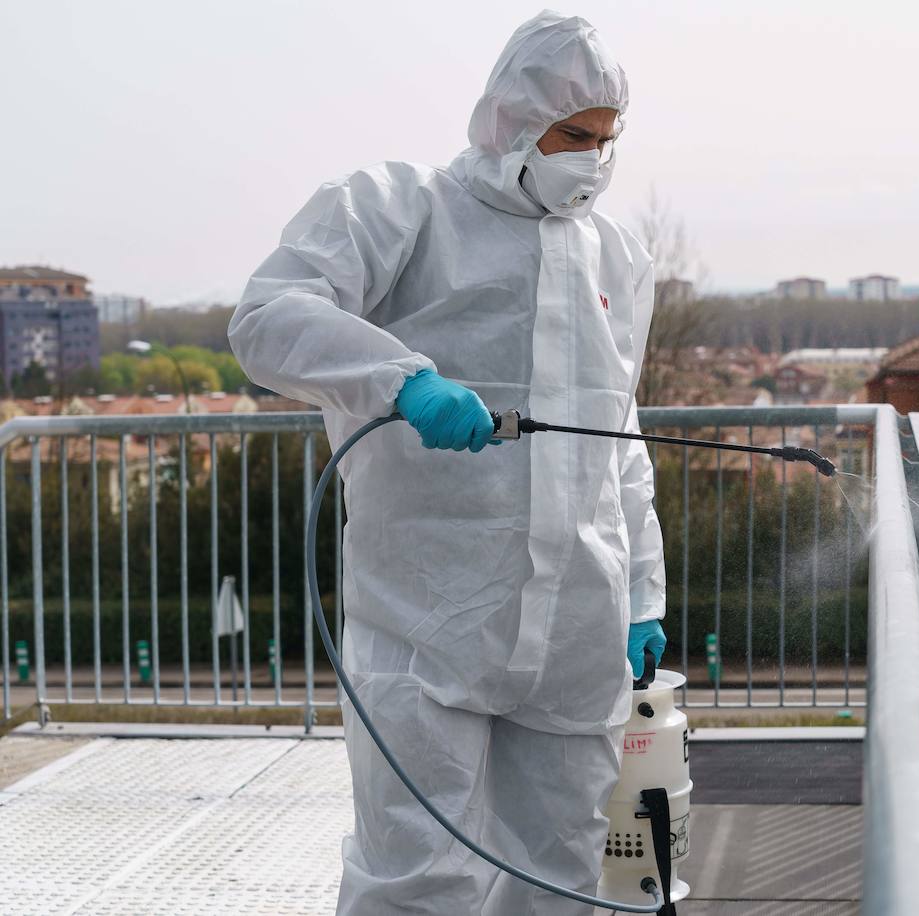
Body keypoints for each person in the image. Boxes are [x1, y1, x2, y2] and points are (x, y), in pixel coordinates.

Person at [228, 12, 667, 914]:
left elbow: (618, 438)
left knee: (562, 874)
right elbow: (267, 320)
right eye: (571, 136)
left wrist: (642, 597)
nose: (590, 158)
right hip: (426, 623)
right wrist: (403, 381)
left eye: (604, 139)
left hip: (577, 629)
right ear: (511, 119)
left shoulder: (616, 251)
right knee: (420, 879)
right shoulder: (396, 208)